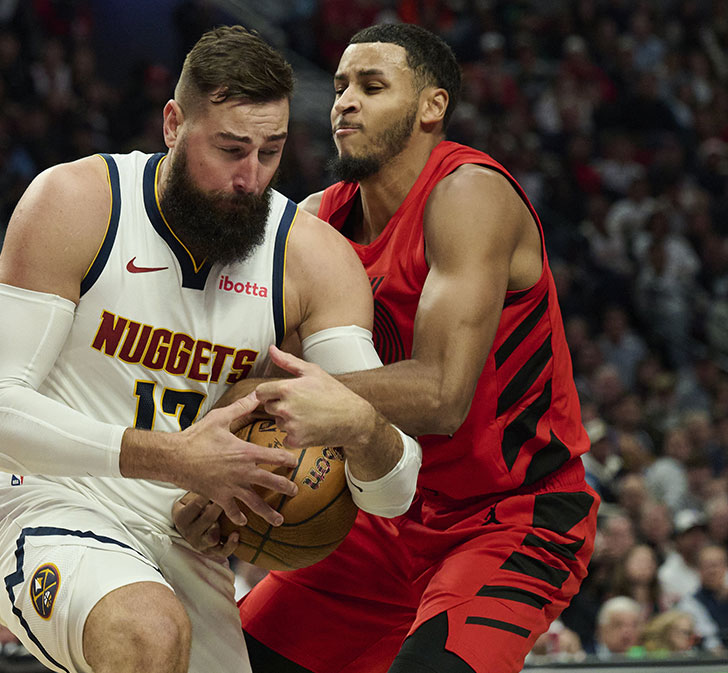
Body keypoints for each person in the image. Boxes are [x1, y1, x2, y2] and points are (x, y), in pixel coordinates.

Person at [0, 25, 421, 673]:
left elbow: (393, 492)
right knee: (146, 631)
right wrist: (178, 457)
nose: (248, 178)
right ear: (173, 123)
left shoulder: (311, 259)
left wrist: (363, 428)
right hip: (43, 492)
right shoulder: (79, 202)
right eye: (230, 149)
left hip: (182, 533)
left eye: (270, 151)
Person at [182, 23, 599, 673]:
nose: (345, 100)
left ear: (432, 107)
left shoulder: (469, 196)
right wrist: (218, 463)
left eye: (372, 86)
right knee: (221, 663)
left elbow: (440, 394)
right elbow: (263, 372)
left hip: (510, 515)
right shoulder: (317, 220)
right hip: (377, 517)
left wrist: (288, 395)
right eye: (342, 85)